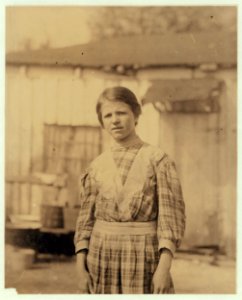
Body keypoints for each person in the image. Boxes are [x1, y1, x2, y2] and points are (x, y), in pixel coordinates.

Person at [74, 86, 185, 294]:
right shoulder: (96, 166)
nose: (115, 120)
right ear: (102, 122)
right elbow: (85, 221)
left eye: (121, 113)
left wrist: (163, 268)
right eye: (108, 115)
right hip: (100, 257)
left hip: (143, 257)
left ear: (136, 115)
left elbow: (171, 219)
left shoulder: (158, 160)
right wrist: (80, 267)